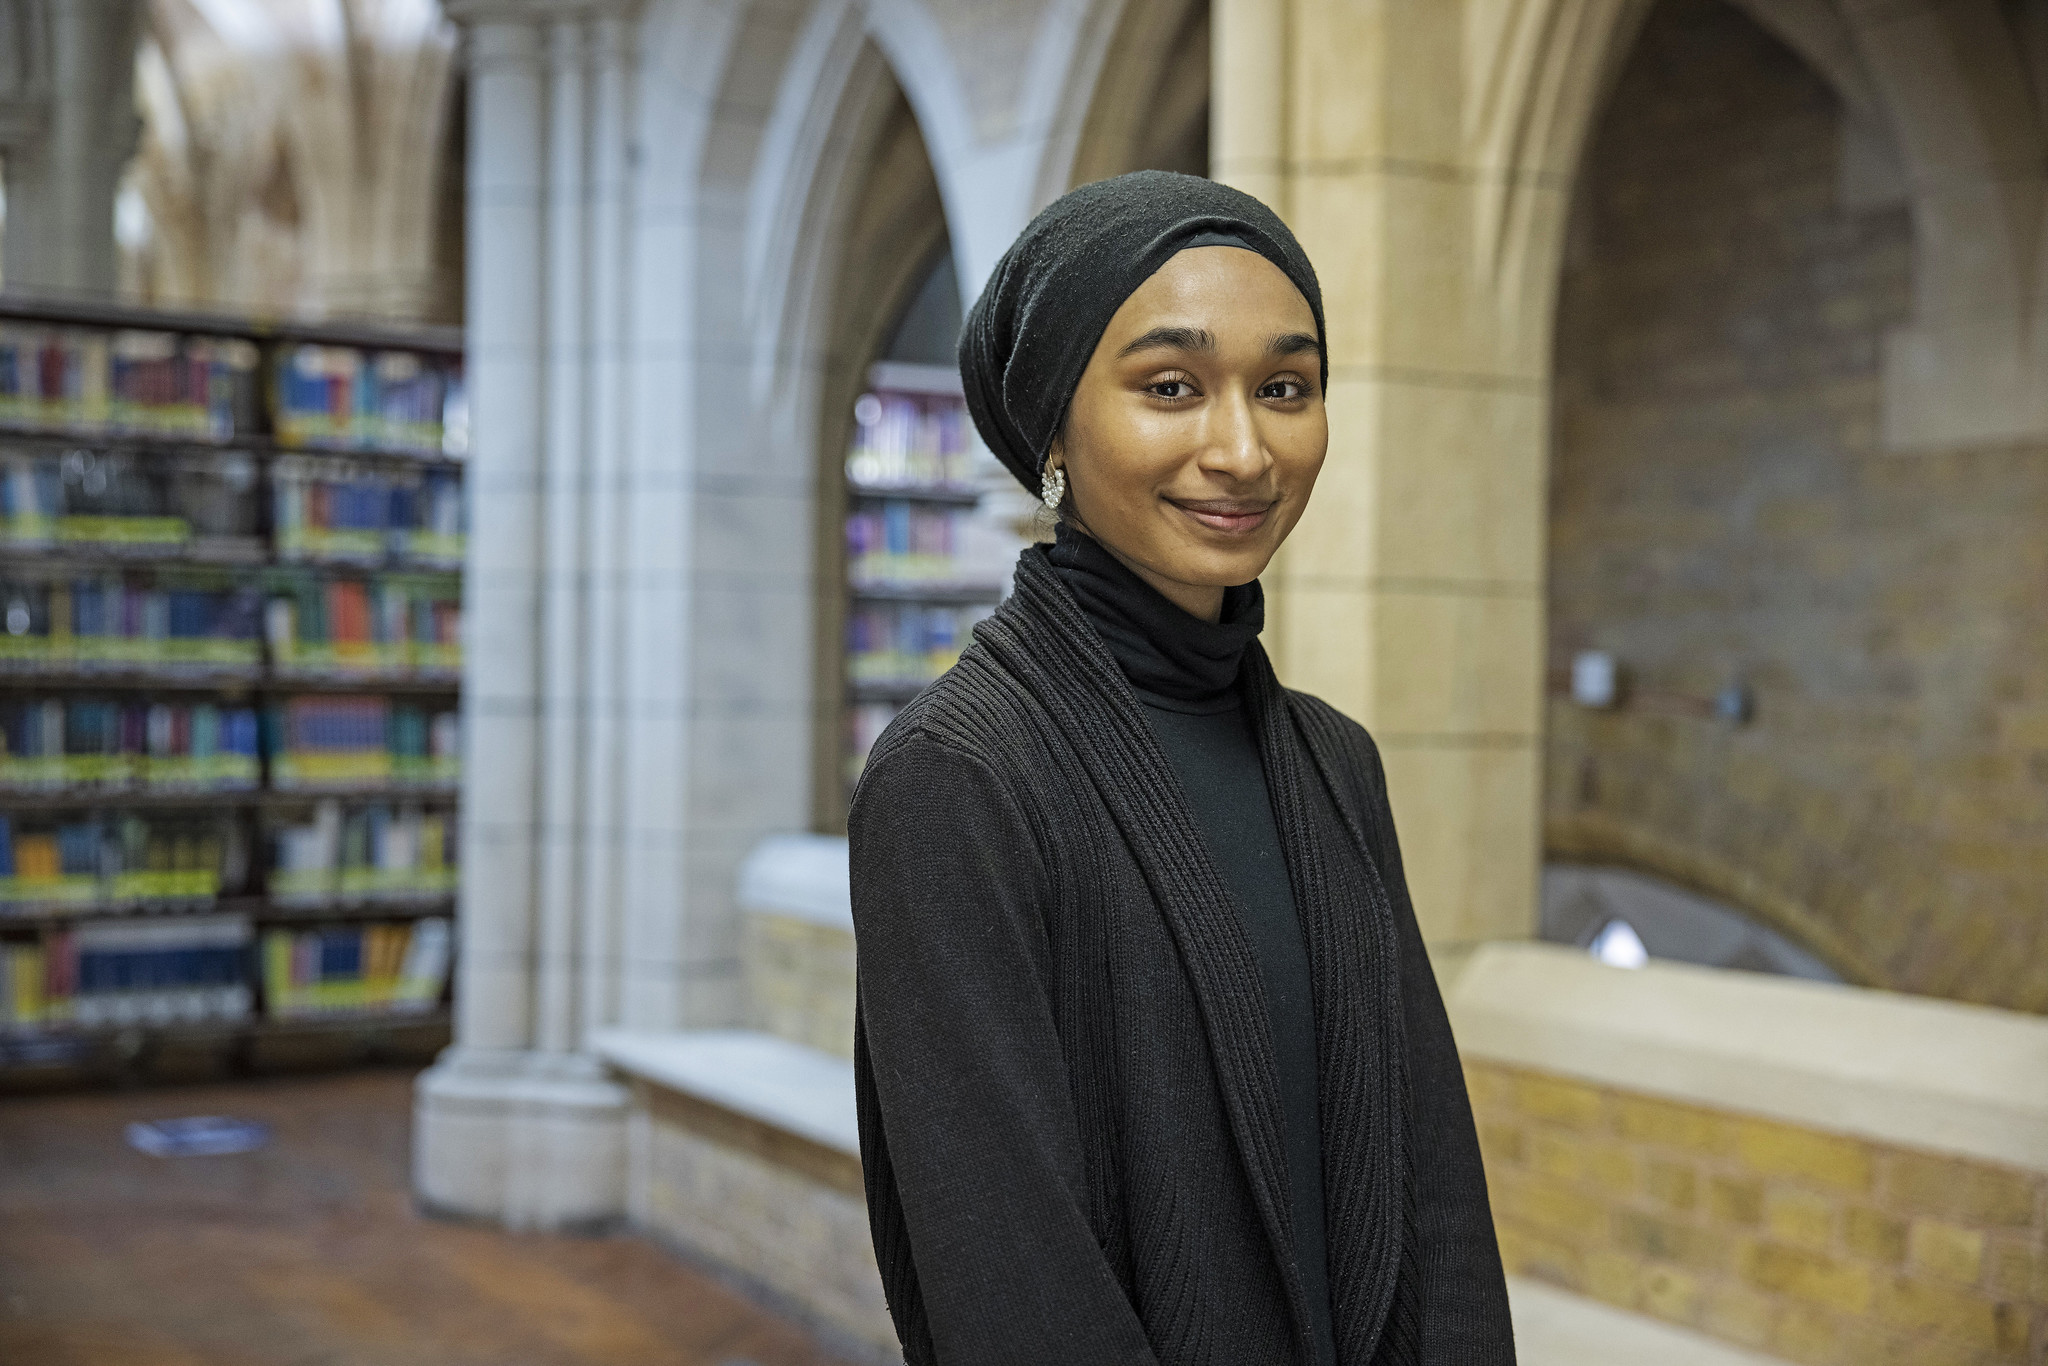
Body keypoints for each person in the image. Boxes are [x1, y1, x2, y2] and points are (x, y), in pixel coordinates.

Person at [849, 170, 1515, 1366]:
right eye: (1169, 387)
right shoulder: (956, 781)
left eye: (1283, 387)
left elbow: (1436, 1198)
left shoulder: (1332, 763)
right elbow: (1009, 1284)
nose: (1243, 449)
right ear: (1051, 424)